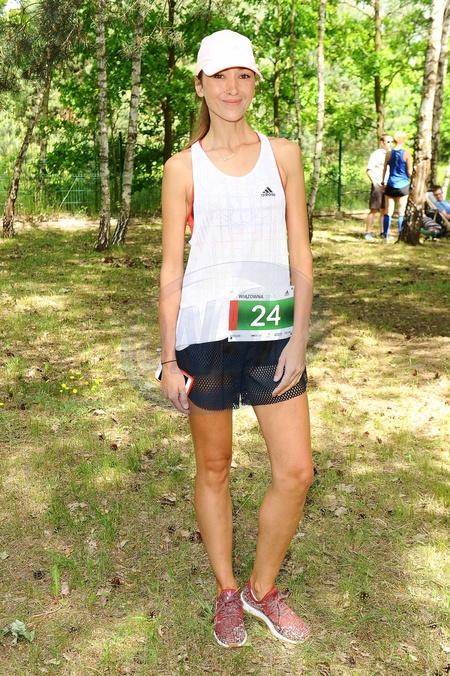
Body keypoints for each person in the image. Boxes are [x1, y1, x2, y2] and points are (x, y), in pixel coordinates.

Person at [158, 29, 314, 648]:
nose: (232, 88)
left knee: (296, 471)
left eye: (243, 76)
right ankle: (228, 591)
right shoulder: (181, 168)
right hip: (206, 337)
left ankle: (261, 589)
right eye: (219, 76)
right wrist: (168, 359)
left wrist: (299, 338)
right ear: (200, 85)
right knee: (215, 466)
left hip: (273, 333)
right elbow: (171, 270)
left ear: (254, 84)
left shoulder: (284, 155)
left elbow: (301, 255)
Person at [381, 131, 412, 239]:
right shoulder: (407, 154)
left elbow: (384, 169)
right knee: (401, 211)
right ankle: (400, 234)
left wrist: (383, 182)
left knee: (388, 211)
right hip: (403, 185)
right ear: (404, 140)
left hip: (391, 184)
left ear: (394, 140)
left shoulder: (389, 154)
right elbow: (409, 171)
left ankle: (385, 234)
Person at [364, 134, 393, 241]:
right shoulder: (376, 154)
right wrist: (375, 183)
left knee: (384, 210)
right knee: (374, 209)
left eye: (391, 142)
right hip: (378, 185)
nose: (390, 144)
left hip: (388, 185)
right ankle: (367, 232)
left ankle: (383, 232)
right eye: (388, 142)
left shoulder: (392, 154)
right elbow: (369, 170)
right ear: (382, 143)